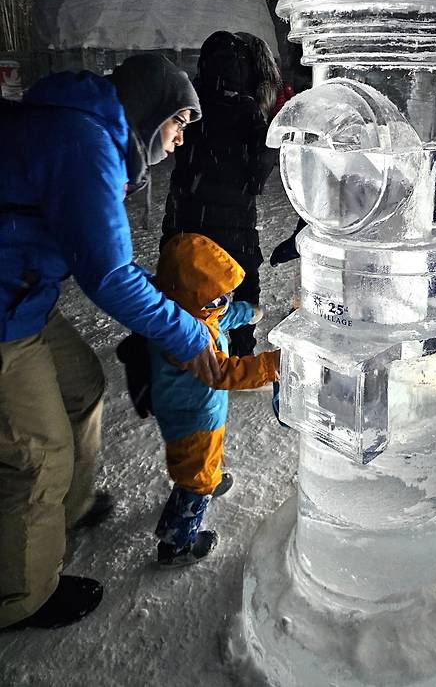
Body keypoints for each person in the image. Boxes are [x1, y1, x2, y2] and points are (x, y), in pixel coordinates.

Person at [0, 54, 225, 630]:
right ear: (150, 114)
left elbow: (100, 254)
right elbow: (106, 275)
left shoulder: (85, 126)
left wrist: (170, 302)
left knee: (82, 386)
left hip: (25, 294)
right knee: (37, 451)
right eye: (178, 124)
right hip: (5, 310)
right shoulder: (85, 143)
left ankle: (64, 510)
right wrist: (187, 330)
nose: (178, 142)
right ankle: (21, 595)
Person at [149, 232, 280, 567]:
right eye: (215, 298)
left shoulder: (186, 311)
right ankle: (176, 544)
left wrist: (244, 312)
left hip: (201, 410)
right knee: (196, 476)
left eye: (226, 296)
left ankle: (210, 475)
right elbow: (222, 373)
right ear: (190, 298)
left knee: (208, 456)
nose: (221, 303)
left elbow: (217, 316)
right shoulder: (182, 337)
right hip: (190, 418)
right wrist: (270, 365)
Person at [161, 31, 280, 358]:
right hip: (234, 229)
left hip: (184, 218)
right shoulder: (247, 110)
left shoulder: (189, 100)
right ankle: (238, 356)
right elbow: (256, 177)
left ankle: (183, 355)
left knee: (185, 285)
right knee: (240, 289)